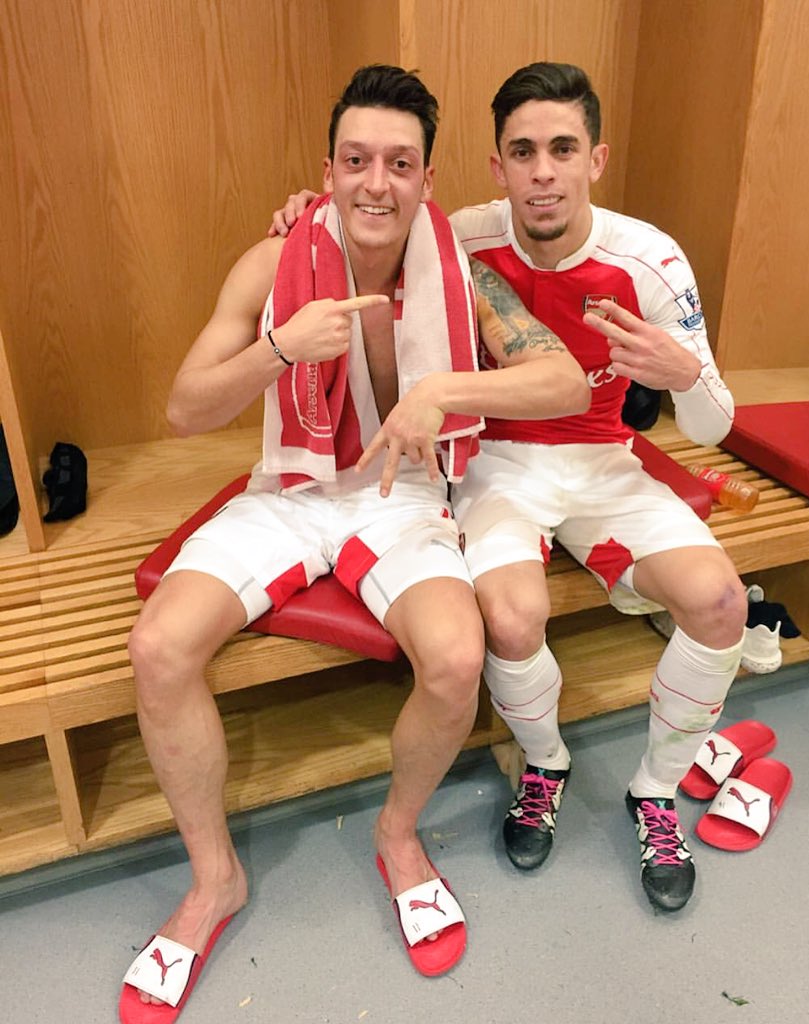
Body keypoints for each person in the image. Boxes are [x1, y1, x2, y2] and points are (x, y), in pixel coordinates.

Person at [119, 64, 587, 1019]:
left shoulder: (461, 272)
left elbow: (566, 382)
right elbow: (182, 409)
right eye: (357, 160)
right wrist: (280, 347)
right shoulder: (272, 263)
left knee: (456, 660)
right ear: (328, 170)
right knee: (158, 647)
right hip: (288, 491)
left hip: (400, 494)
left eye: (399, 164)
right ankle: (215, 881)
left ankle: (398, 833)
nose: (377, 182)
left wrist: (441, 391)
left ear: (427, 177)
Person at [272, 62, 746, 915]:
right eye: (523, 152)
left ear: (596, 159)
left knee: (721, 602)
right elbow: (365, 222)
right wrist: (306, 214)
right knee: (514, 617)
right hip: (498, 464)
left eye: (563, 149)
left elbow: (715, 426)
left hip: (606, 461)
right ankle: (545, 763)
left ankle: (654, 790)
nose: (543, 173)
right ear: (498, 165)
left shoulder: (651, 257)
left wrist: (682, 376)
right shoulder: (461, 235)